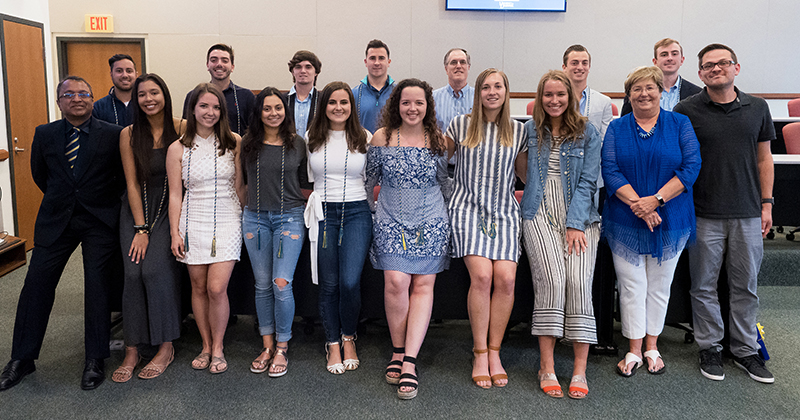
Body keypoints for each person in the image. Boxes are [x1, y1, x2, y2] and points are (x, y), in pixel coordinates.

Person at [0, 76, 124, 391]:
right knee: (36, 284)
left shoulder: (112, 135)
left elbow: (120, 178)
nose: (77, 98)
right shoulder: (45, 134)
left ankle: (95, 359)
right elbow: (41, 175)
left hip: (98, 220)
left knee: (97, 288)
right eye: (69, 94)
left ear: (92, 99)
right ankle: (22, 358)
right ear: (60, 101)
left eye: (83, 93)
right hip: (56, 220)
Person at [673, 44, 776, 384]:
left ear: (736, 67)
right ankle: (710, 347)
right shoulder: (686, 110)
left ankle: (745, 349)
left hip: (748, 211)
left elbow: (765, 159)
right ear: (700, 73)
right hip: (703, 213)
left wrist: (766, 203)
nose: (716, 69)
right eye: (708, 66)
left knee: (745, 285)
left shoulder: (757, 108)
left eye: (723, 63)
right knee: (703, 286)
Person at [602, 66, 701, 378]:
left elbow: (691, 166)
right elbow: (610, 170)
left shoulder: (679, 123)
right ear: (628, 95)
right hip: (625, 219)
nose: (643, 94)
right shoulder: (617, 128)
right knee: (632, 285)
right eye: (636, 89)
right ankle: (633, 349)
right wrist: (640, 205)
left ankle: (652, 346)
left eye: (650, 88)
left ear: (661, 91)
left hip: (670, 217)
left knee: (659, 285)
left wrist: (655, 201)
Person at [366, 78, 451, 400]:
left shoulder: (438, 140)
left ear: (428, 106)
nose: (412, 108)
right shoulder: (382, 137)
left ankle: (409, 361)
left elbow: (444, 183)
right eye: (406, 102)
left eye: (418, 102)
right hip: (390, 217)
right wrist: (375, 216)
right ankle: (397, 349)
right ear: (396, 105)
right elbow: (369, 181)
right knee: (396, 282)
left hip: (430, 219)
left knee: (423, 285)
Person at [519, 70, 601, 399]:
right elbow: (521, 170)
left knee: (579, 283)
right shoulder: (528, 130)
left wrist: (574, 223)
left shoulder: (587, 132)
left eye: (560, 95)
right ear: (540, 99)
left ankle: (580, 370)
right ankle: (547, 366)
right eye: (548, 95)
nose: (554, 101)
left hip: (579, 214)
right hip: (538, 211)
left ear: (571, 97)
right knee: (552, 281)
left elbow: (588, 182)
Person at [445, 68, 527, 389]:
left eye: (498, 86)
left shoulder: (519, 131)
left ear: (506, 92)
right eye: (486, 87)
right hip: (466, 208)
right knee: (482, 276)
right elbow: (437, 162)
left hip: (504, 212)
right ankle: (480, 352)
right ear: (477, 93)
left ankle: (495, 352)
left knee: (506, 278)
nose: (492, 92)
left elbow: (523, 178)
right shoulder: (460, 125)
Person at [112, 74, 186, 383]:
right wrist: (140, 228)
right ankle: (132, 349)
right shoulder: (129, 134)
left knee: (155, 270)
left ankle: (165, 346)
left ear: (165, 95)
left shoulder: (182, 128)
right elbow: (131, 182)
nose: (148, 98)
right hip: (137, 210)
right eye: (142, 94)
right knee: (132, 272)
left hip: (172, 208)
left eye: (154, 92)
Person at [167, 83, 244, 375]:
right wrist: (175, 232)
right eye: (204, 106)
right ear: (193, 109)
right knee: (198, 287)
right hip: (192, 220)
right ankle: (206, 345)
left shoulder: (234, 141)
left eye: (215, 107)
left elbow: (240, 186)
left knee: (216, 287)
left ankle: (220, 346)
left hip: (227, 218)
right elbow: (176, 194)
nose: (210, 112)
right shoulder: (178, 147)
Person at [241, 88, 309, 377]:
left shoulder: (298, 144)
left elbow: (305, 185)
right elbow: (242, 182)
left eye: (278, 108)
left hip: (289, 219)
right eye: (266, 108)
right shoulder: (247, 143)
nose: (273, 113)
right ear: (259, 112)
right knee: (262, 285)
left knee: (281, 283)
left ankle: (282, 345)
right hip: (254, 219)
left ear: (286, 111)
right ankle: (266, 345)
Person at [306, 81, 372, 377]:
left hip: (357, 211)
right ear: (324, 106)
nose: (338, 107)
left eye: (344, 102)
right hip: (325, 214)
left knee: (349, 282)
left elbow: (371, 177)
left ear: (351, 106)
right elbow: (307, 179)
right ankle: (332, 342)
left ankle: (349, 337)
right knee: (329, 283)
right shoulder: (310, 138)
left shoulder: (364, 137)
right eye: (332, 102)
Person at [182, 44, 256, 135]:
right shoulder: (193, 96)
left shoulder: (246, 96)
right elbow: (186, 128)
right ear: (208, 65)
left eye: (224, 61)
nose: (219, 64)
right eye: (214, 60)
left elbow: (255, 131)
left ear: (232, 67)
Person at [621, 38, 702, 115]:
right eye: (664, 55)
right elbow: (625, 123)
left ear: (682, 60)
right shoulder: (637, 93)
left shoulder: (697, 93)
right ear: (655, 61)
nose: (670, 58)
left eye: (674, 54)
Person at [352, 39, 395, 134]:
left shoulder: (399, 93)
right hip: (362, 146)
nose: (376, 63)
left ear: (389, 62)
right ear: (365, 62)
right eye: (372, 58)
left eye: (381, 58)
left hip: (391, 147)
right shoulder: (353, 94)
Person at [432, 48, 474, 132]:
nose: (458, 66)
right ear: (446, 69)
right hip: (441, 145)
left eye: (462, 62)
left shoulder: (479, 97)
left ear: (468, 67)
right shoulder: (433, 98)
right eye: (453, 62)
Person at [285, 50, 322, 137]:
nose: (303, 71)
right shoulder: (282, 100)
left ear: (316, 72)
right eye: (298, 67)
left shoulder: (324, 100)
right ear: (293, 71)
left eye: (308, 67)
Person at [93, 54, 137, 126]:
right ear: (111, 74)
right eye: (119, 71)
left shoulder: (144, 103)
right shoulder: (99, 107)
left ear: (136, 74)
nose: (125, 75)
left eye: (129, 71)